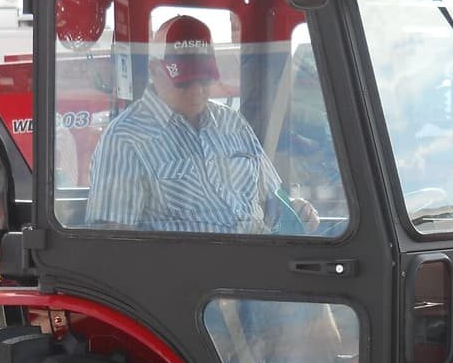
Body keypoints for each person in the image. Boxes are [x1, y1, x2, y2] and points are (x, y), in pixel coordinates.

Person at [85, 14, 318, 234]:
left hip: (260, 262)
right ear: (155, 70)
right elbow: (113, 243)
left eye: (204, 79)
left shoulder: (233, 123)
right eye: (184, 82)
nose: (196, 91)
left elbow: (272, 201)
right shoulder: (125, 140)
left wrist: (297, 210)